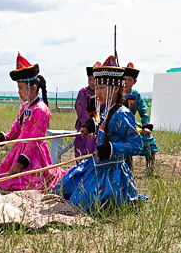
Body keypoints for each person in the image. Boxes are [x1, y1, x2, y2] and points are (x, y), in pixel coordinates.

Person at [55, 56, 146, 211]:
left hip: (112, 173)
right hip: (96, 165)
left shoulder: (122, 114)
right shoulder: (107, 111)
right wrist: (92, 126)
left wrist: (111, 148)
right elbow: (106, 126)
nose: (97, 93)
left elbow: (137, 145)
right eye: (96, 88)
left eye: (101, 88)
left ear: (116, 88)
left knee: (81, 203)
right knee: (64, 187)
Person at [0, 54, 65, 191]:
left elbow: (34, 141)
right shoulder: (25, 107)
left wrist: (20, 165)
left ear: (32, 88)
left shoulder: (41, 110)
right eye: (18, 88)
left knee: (24, 184)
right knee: (6, 181)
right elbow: (15, 131)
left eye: (21, 88)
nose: (19, 92)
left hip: (33, 155)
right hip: (20, 151)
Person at [124, 62, 158, 176]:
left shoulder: (136, 95)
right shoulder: (117, 93)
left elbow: (143, 111)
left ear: (135, 82)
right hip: (120, 124)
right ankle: (128, 171)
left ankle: (150, 169)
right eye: (124, 79)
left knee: (149, 140)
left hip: (132, 123)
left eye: (129, 80)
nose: (126, 82)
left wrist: (145, 126)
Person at [73, 62, 100, 157]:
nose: (92, 82)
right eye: (90, 79)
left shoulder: (103, 93)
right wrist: (89, 126)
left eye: (94, 79)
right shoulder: (83, 92)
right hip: (85, 124)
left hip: (100, 123)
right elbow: (80, 109)